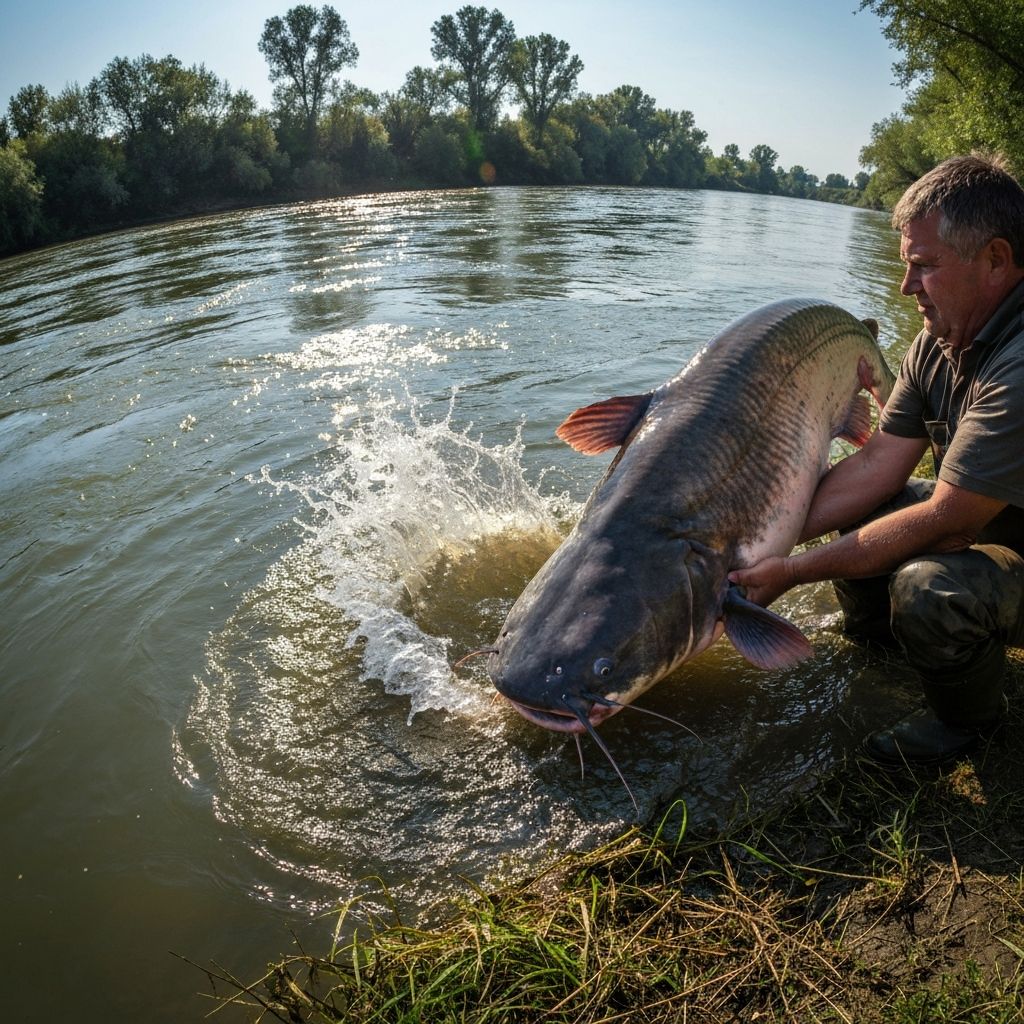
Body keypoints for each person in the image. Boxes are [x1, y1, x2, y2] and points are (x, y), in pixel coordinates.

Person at [729, 153, 1024, 766]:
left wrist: (793, 571)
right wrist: (745, 548)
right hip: (998, 521)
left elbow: (950, 520)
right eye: (904, 266)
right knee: (870, 505)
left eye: (923, 267)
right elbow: (876, 465)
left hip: (1003, 537)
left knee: (931, 589)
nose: (905, 287)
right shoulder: (936, 342)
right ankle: (879, 640)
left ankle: (967, 726)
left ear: (995, 260)